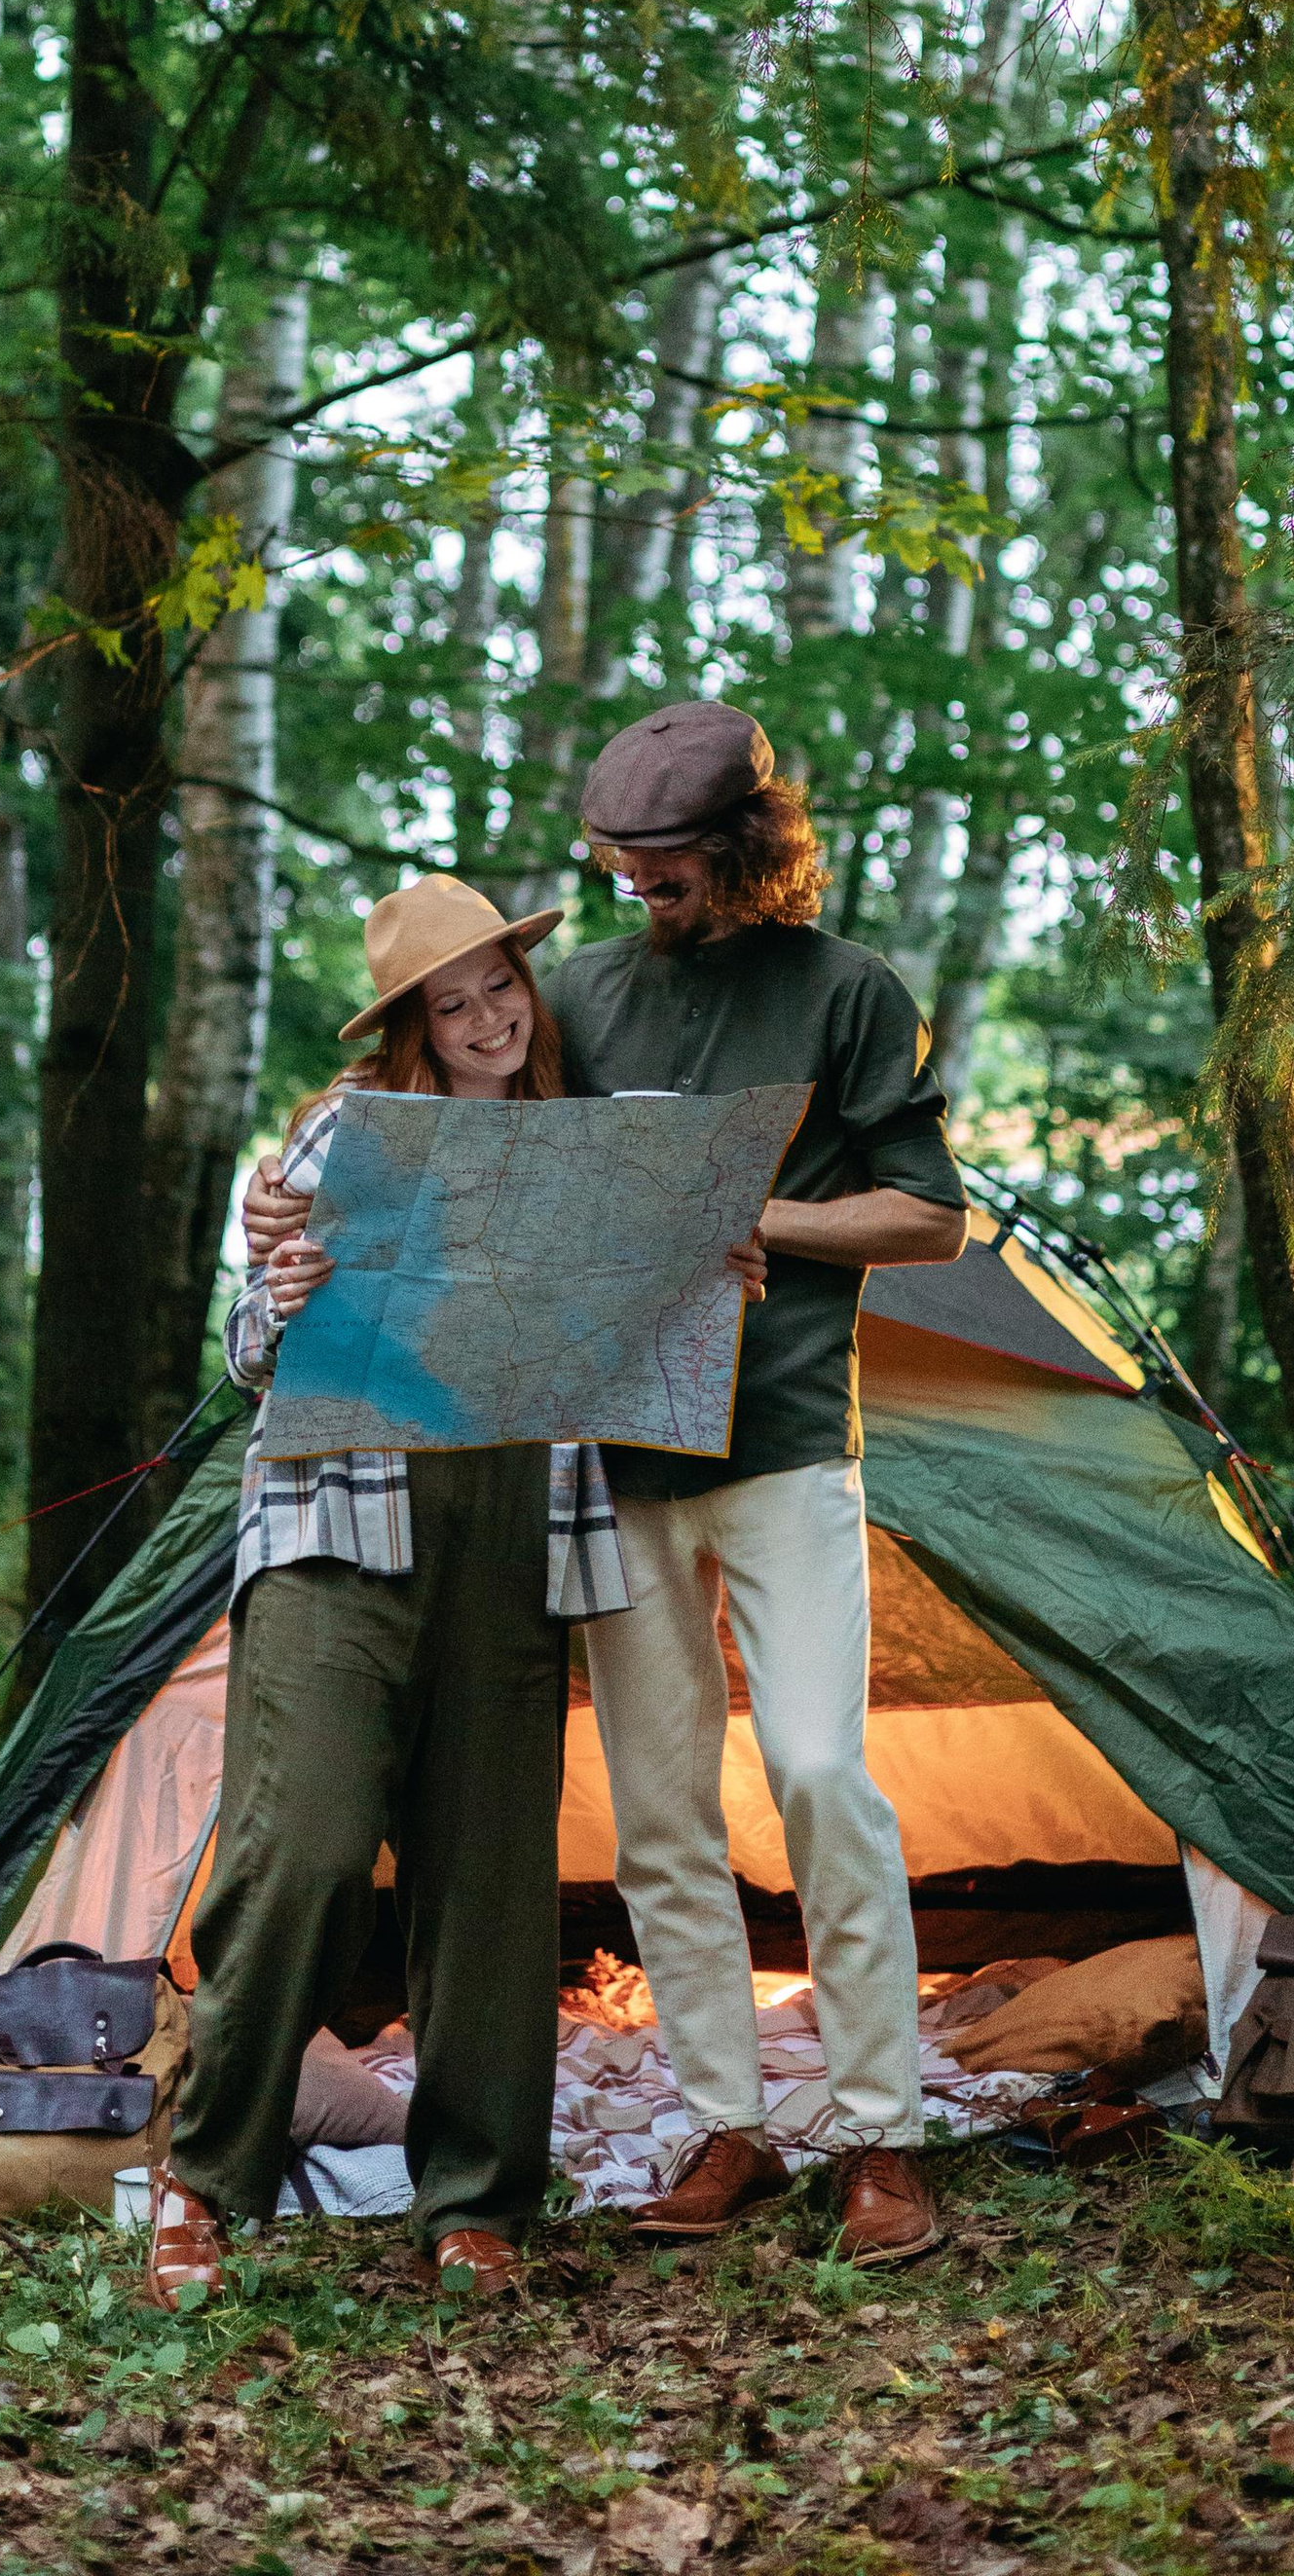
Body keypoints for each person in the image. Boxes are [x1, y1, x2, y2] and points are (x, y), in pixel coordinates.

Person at [247, 706, 968, 2266]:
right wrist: (295, 1201)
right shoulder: (575, 999)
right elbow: (477, 1162)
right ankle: (731, 2125)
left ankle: (882, 2133)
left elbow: (928, 1223)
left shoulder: (847, 994)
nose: (643, 888)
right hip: (612, 1462)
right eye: (621, 867)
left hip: (782, 1448)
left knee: (824, 1778)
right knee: (655, 1813)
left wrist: (759, 1219)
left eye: (670, 867)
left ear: (748, 854)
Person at [148, 876, 669, 2312]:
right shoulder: (336, 1137)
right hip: (340, 1520)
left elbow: (635, 1335)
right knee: (301, 1848)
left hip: (517, 1527)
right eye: (456, 1002)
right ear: (411, 1027)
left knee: (491, 1888)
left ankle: (475, 2200)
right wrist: (285, 1291)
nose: (491, 1015)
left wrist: (710, 1266)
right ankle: (205, 2176)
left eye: (502, 985)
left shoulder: (577, 1150)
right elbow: (251, 1356)